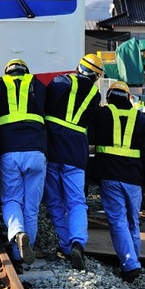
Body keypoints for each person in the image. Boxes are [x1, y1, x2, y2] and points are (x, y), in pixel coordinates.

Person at [44, 54, 103, 270]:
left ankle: (66, 246)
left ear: (79, 67)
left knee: (55, 202)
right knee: (77, 202)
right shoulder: (95, 95)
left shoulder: (60, 81)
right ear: (96, 76)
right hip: (76, 153)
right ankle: (78, 242)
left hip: (52, 149)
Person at [90, 81, 145, 282]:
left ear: (108, 97)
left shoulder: (102, 114)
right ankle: (133, 262)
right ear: (128, 98)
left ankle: (130, 264)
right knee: (133, 222)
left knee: (118, 221)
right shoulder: (140, 118)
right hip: (134, 179)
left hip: (110, 177)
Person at [0, 58, 47, 265]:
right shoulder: (39, 85)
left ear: (8, 72)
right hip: (37, 152)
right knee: (31, 206)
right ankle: (22, 251)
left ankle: (17, 232)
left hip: (10, 152)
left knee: (12, 200)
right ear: (26, 71)